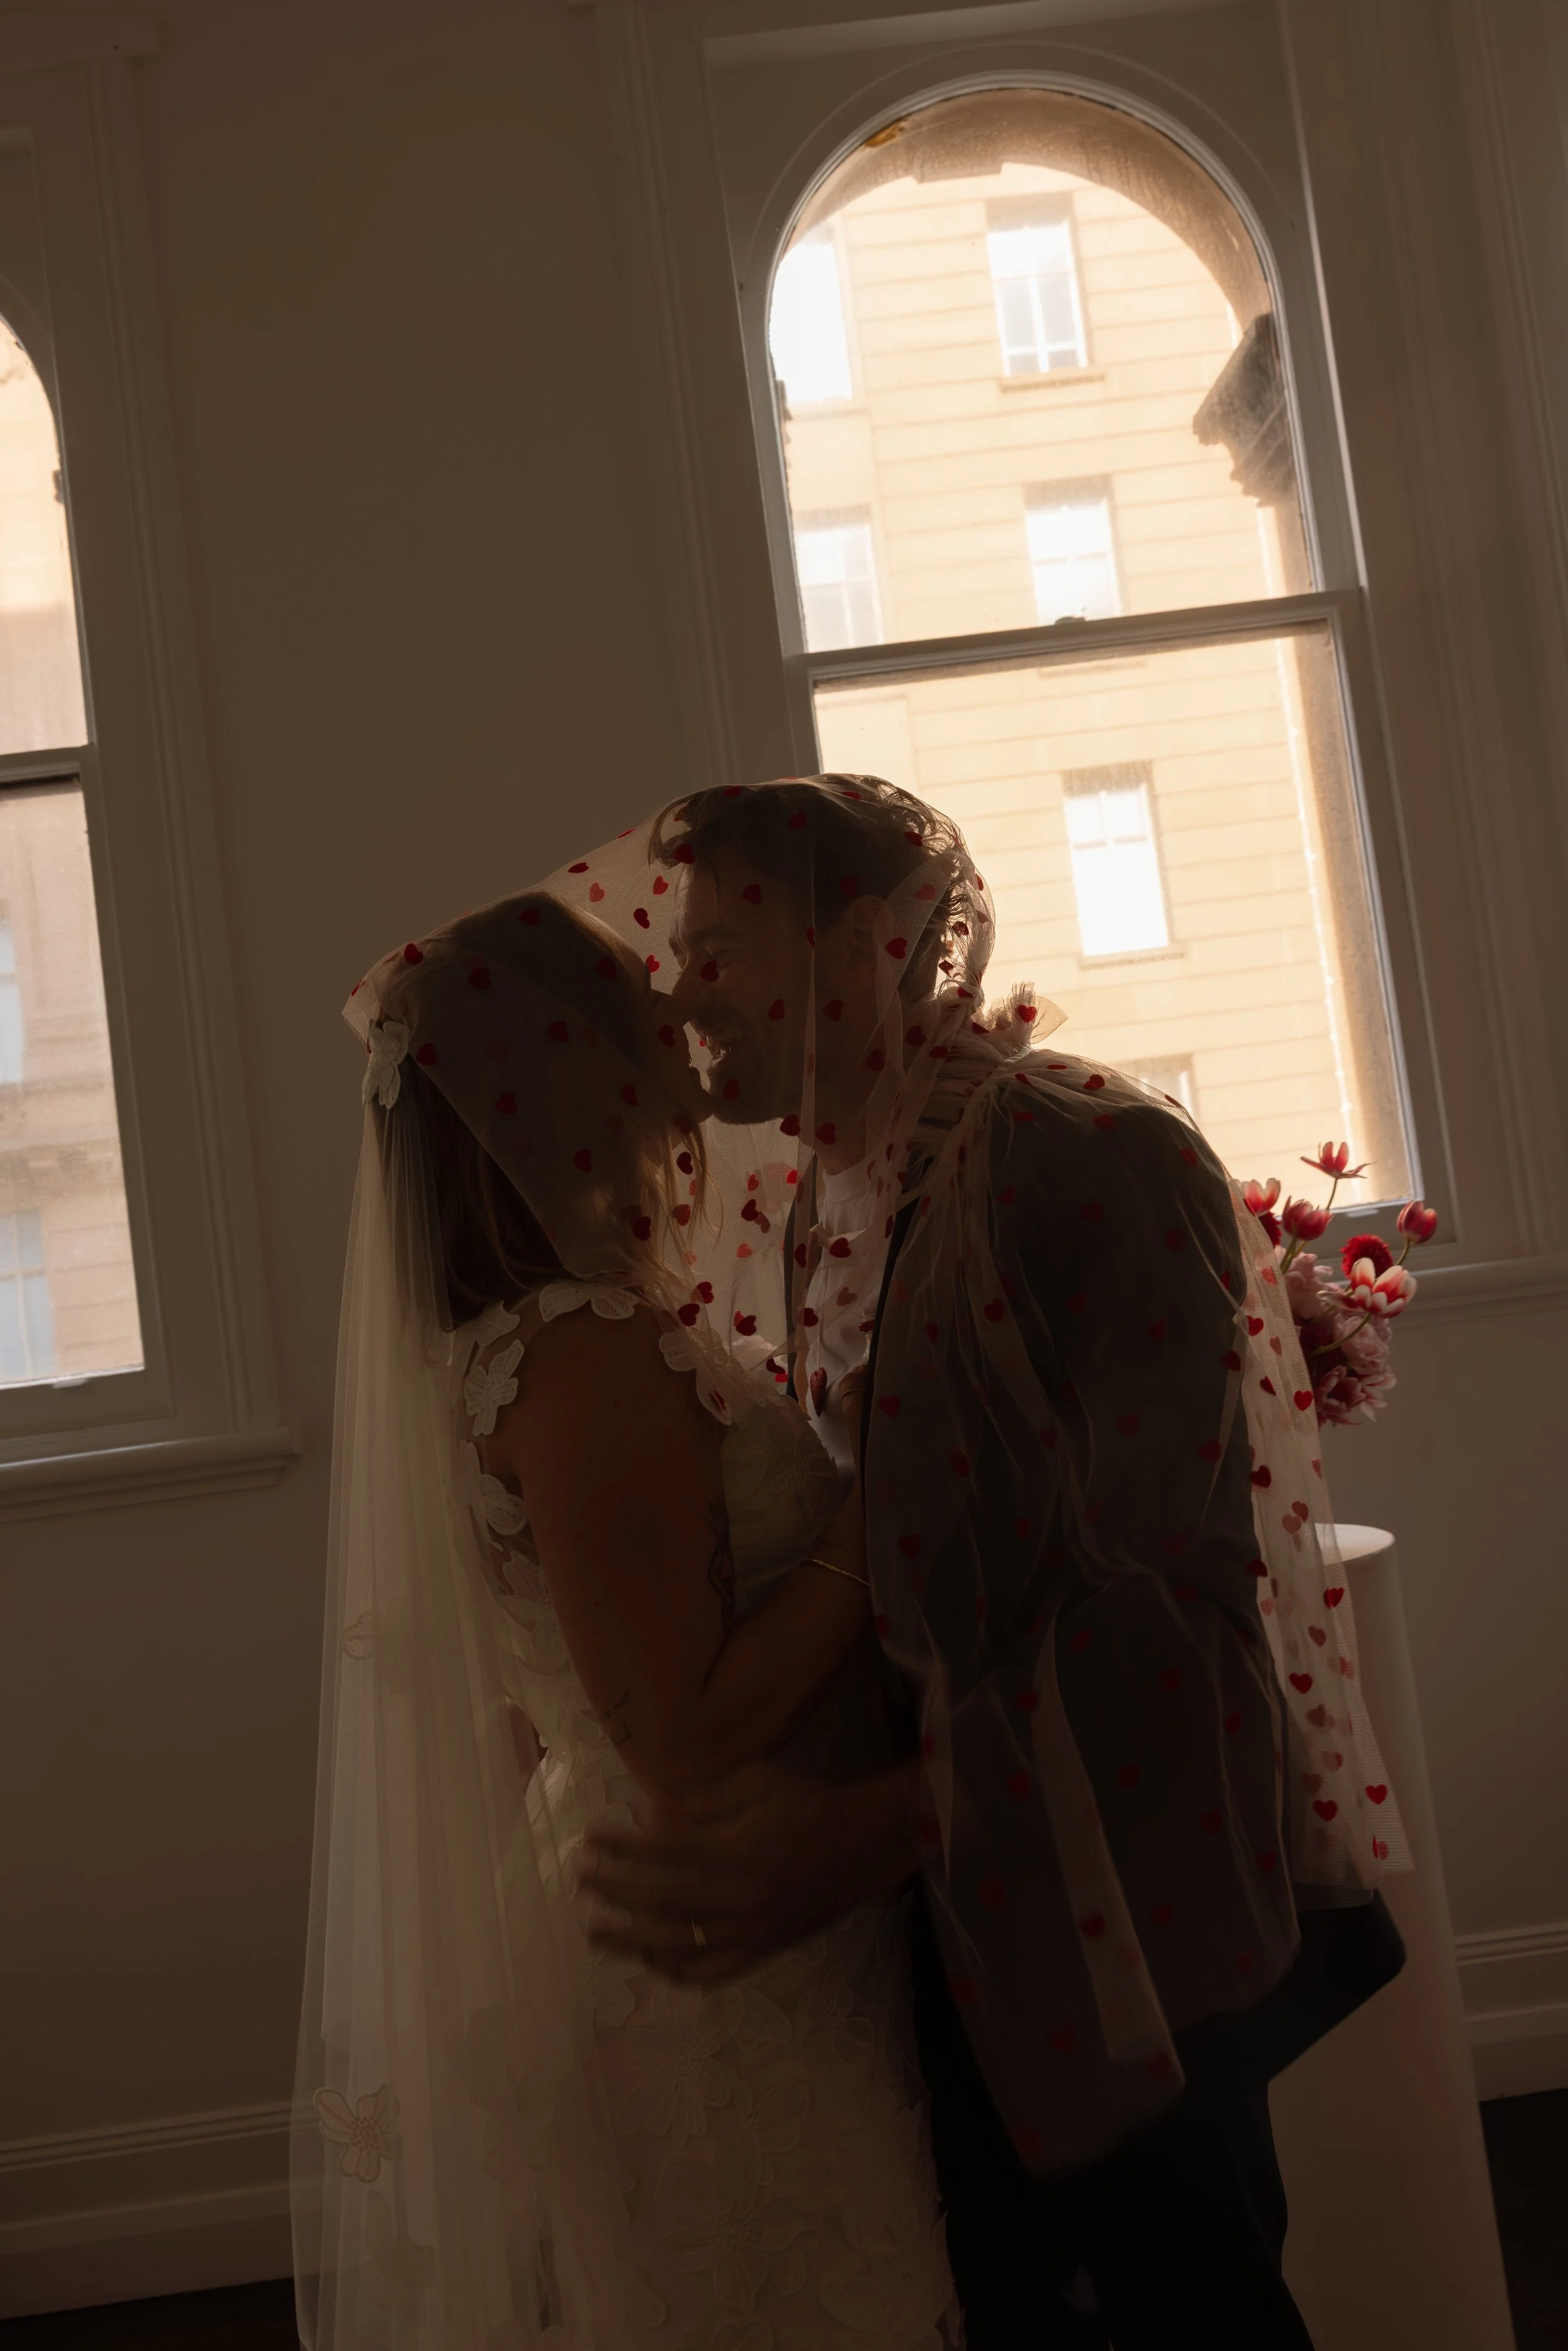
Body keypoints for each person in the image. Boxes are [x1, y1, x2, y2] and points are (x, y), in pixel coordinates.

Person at [579, 775, 1412, 2350]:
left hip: (1126, 1884)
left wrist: (868, 1829)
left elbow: (1168, 1603)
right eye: (681, 951)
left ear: (882, 940)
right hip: (966, 1892)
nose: (681, 989)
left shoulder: (1084, 1153)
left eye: (722, 948)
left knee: (1190, 2301)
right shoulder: (820, 1196)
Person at [292, 886, 961, 2348]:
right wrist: (864, 1531)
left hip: (722, 1907)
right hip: (711, 1943)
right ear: (558, 1072)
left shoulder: (567, 1326)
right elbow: (673, 1735)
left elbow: (561, 1685)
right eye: (632, 1005)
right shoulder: (585, 1355)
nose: (675, 1022)